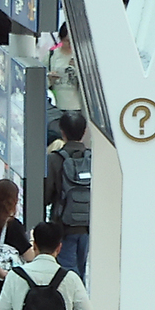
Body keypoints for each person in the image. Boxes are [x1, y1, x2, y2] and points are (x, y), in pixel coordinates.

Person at [45, 111, 94, 275]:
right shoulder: (92, 159)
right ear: (84, 132)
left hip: (63, 226)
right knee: (81, 268)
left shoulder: (54, 159)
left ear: (62, 131)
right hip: (87, 225)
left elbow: (46, 195)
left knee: (66, 272)